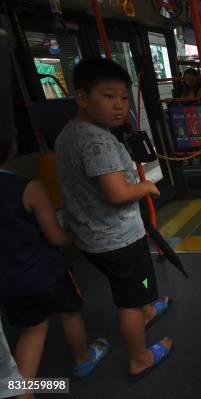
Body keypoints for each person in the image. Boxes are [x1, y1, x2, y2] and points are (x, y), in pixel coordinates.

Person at [55, 58, 173, 381]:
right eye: (109, 97)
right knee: (129, 300)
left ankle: (147, 308)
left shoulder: (69, 134)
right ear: (82, 98)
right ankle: (140, 356)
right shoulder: (96, 140)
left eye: (123, 97)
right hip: (119, 239)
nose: (120, 106)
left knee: (135, 284)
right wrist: (146, 186)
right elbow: (117, 193)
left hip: (91, 238)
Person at [0, 132, 110, 395]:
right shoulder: (28, 188)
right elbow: (55, 236)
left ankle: (23, 392)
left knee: (33, 330)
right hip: (47, 273)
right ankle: (83, 360)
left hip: (9, 281)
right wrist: (72, 237)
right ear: (11, 146)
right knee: (70, 314)